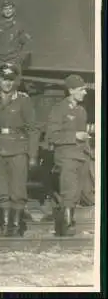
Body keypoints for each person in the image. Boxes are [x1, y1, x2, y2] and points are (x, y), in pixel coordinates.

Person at [0, 64, 39, 237]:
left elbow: (32, 129)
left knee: (18, 190)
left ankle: (16, 225)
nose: (7, 83)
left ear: (15, 82)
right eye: (3, 80)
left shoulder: (23, 100)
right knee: (2, 190)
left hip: (18, 150)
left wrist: (32, 155)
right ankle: (6, 225)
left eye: (10, 80)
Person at [46, 75, 90, 236]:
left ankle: (68, 223)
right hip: (66, 156)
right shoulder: (59, 109)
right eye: (81, 89)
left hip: (80, 156)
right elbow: (51, 136)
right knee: (69, 191)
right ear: (71, 90)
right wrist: (75, 136)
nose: (85, 92)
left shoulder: (81, 110)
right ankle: (66, 226)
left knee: (76, 193)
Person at [0, 0, 32, 86]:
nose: (8, 11)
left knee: (14, 84)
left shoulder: (19, 25)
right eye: (5, 9)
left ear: (14, 10)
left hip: (13, 59)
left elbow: (26, 43)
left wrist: (20, 57)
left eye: (10, 8)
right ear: (2, 11)